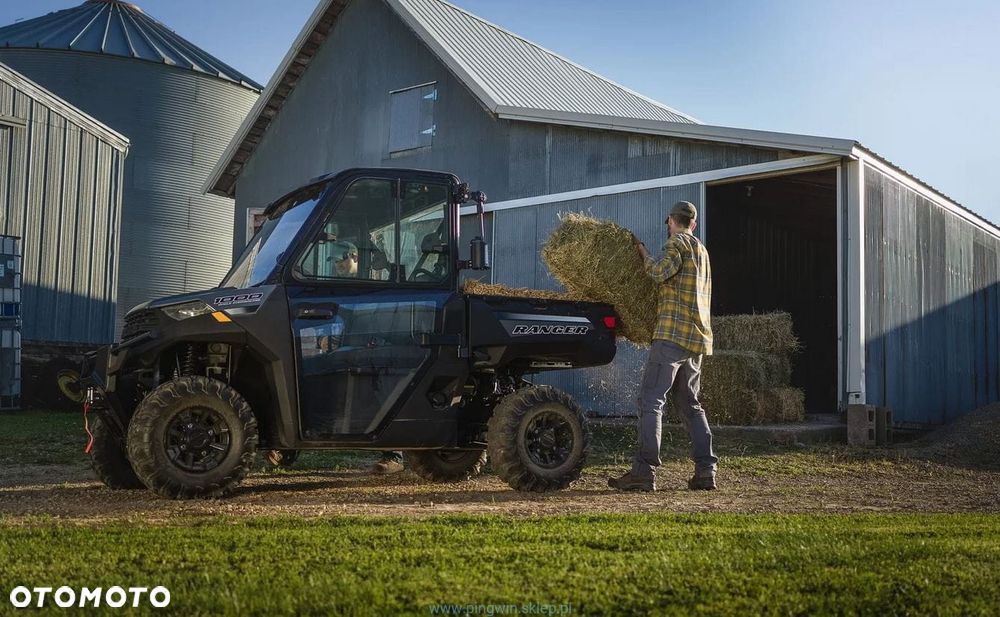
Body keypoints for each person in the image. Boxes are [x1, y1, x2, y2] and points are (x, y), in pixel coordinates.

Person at [608, 201, 718, 492]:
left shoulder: (677, 244)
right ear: (693, 223)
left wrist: (642, 252)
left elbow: (658, 273)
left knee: (651, 400)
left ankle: (644, 472)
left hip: (671, 335)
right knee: (690, 405)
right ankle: (706, 470)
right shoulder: (702, 251)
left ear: (671, 220)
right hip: (696, 339)